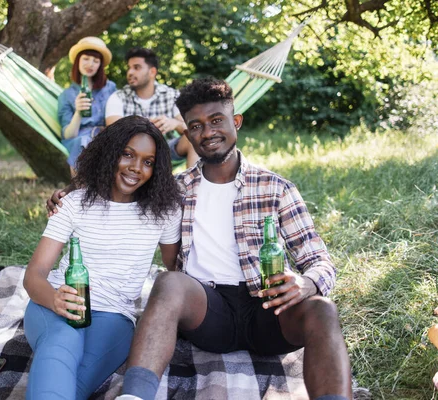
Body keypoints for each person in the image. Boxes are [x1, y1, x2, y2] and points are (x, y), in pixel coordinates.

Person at [49, 78, 352, 400]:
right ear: (187, 134)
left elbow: (319, 261)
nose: (207, 133)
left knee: (323, 309)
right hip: (209, 311)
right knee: (169, 282)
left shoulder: (276, 187)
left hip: (271, 311)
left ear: (236, 122)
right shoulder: (173, 189)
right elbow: (119, 188)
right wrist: (70, 193)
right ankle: (134, 396)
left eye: (216, 121)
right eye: (195, 126)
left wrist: (306, 284)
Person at [23, 116, 182, 400]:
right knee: (63, 340)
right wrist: (55, 300)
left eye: (148, 161)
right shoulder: (73, 203)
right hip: (54, 305)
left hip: (115, 318)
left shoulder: (164, 211)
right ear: (111, 153)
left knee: (74, 386)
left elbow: (176, 269)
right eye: (128, 155)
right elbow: (33, 275)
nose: (136, 168)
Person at [105, 47, 199, 168]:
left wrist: (175, 123)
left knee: (194, 138)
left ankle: (194, 185)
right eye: (129, 68)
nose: (130, 72)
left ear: (152, 72)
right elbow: (113, 133)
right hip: (131, 152)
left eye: (136, 67)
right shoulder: (118, 97)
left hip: (166, 150)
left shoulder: (172, 95)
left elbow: (193, 128)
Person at [58, 36, 117, 176]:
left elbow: (117, 118)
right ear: (78, 60)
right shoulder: (66, 95)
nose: (90, 64)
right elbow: (68, 135)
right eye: (86, 58)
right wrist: (78, 112)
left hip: (105, 135)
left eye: (96, 61)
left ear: (100, 65)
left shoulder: (110, 88)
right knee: (83, 142)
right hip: (78, 139)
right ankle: (79, 191)